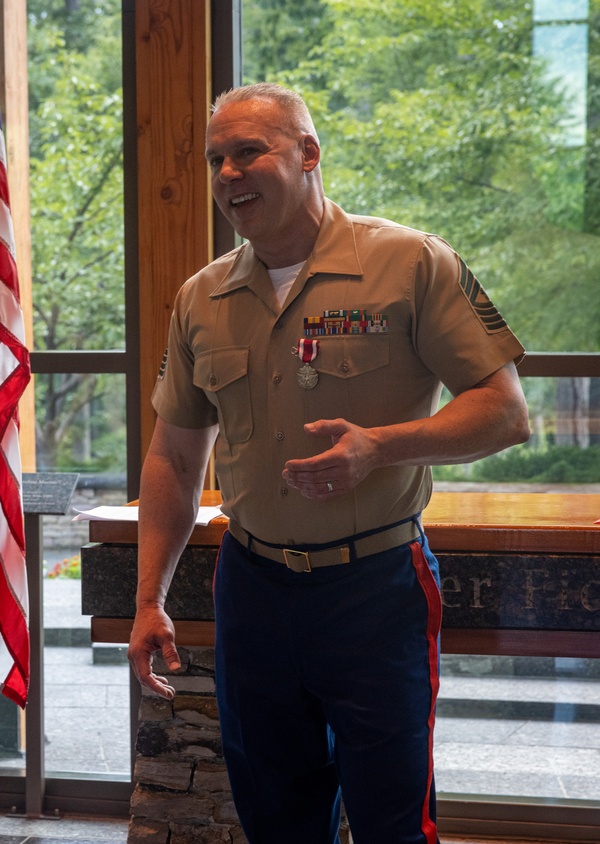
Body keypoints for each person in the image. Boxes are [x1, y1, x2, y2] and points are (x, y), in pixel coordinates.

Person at [126, 82, 530, 844]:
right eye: (216, 159)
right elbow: (174, 459)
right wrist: (151, 598)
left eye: (249, 152)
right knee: (275, 817)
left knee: (392, 819)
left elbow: (505, 411)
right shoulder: (202, 298)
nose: (227, 175)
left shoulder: (409, 263)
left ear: (309, 154)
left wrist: (383, 445)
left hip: (375, 590)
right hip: (253, 589)